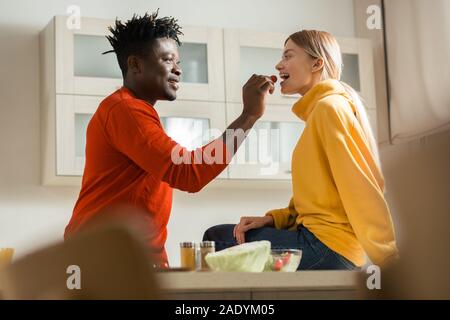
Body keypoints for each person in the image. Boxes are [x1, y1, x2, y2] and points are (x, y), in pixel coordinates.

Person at [64, 11, 275, 267]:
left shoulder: (134, 111)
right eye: (167, 60)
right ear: (135, 64)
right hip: (105, 262)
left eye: (178, 61)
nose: (178, 69)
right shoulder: (126, 111)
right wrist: (249, 116)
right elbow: (189, 172)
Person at [203, 30, 398, 270]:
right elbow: (314, 202)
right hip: (324, 244)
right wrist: (272, 219)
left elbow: (360, 187)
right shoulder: (321, 112)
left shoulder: (329, 108)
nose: (278, 64)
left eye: (288, 56)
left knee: (217, 239)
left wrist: (389, 261)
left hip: (327, 247)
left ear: (317, 63)